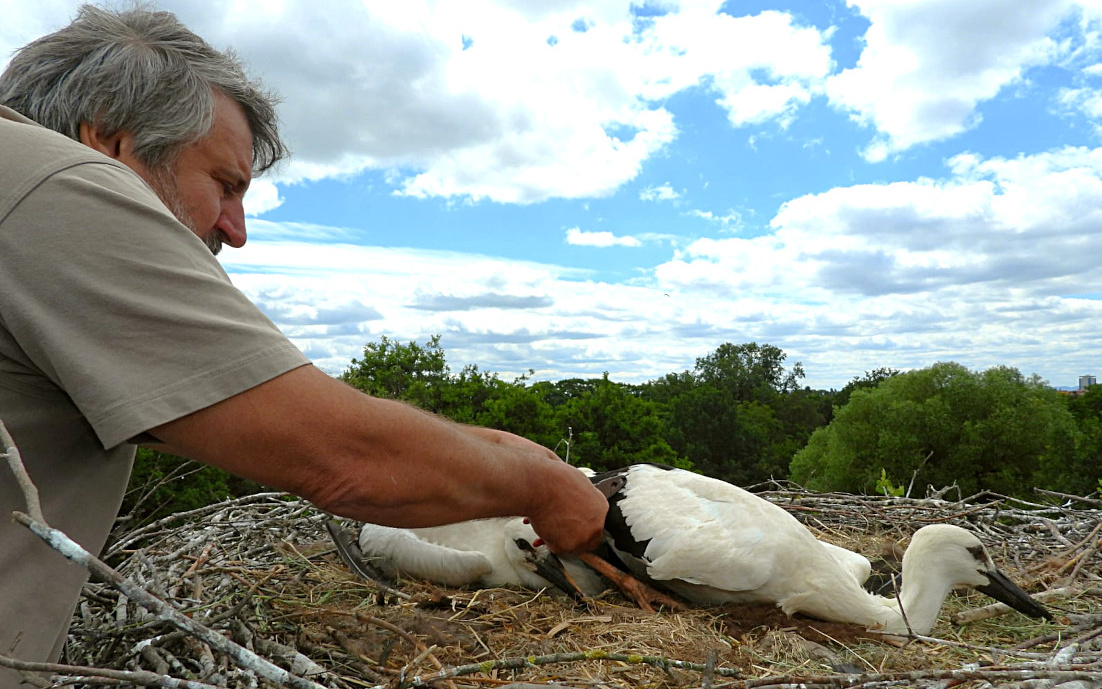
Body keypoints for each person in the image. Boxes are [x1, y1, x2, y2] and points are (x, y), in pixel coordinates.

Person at [0, 5, 607, 683]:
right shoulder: (58, 187)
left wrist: (501, 449)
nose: (236, 231)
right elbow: (342, 459)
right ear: (109, 140)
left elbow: (248, 412)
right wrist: (545, 487)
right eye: (225, 185)